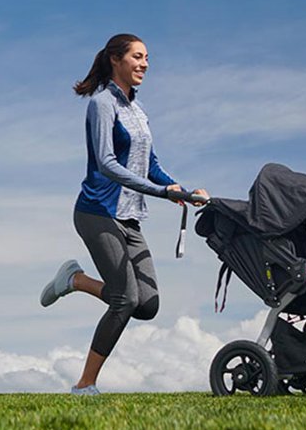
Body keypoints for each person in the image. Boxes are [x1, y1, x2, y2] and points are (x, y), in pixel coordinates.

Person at [40, 33, 209, 395]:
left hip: (129, 217)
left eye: (147, 57)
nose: (144, 63)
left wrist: (181, 190)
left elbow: (151, 164)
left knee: (146, 304)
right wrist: (162, 193)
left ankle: (77, 281)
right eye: (137, 56)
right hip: (97, 212)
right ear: (116, 59)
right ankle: (84, 385)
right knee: (124, 300)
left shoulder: (138, 109)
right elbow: (107, 163)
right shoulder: (102, 104)